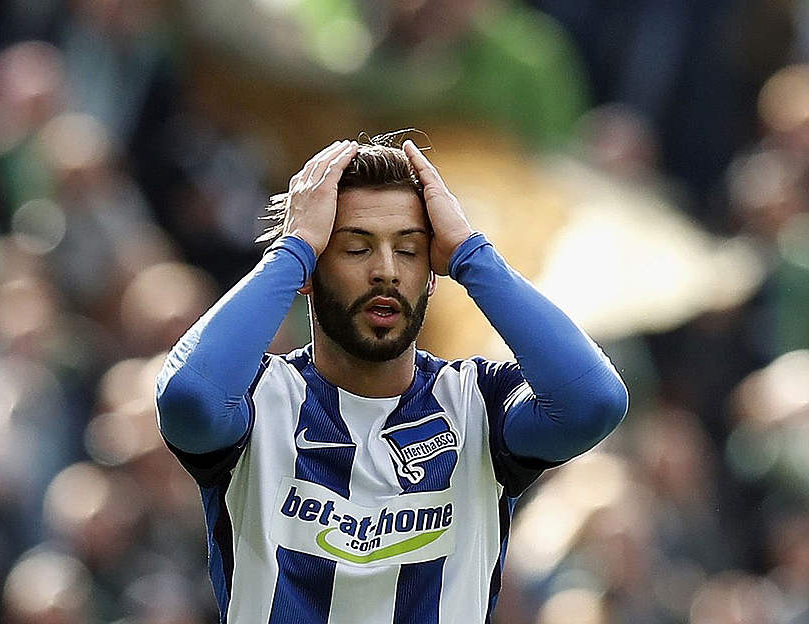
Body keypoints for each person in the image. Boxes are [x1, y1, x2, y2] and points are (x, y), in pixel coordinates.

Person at [155, 134, 628, 622]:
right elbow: (190, 400)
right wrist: (291, 250)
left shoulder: (478, 402)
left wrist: (470, 252)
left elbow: (594, 402)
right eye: (357, 249)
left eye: (408, 250)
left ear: (431, 270)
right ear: (313, 269)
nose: (386, 271)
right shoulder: (256, 400)